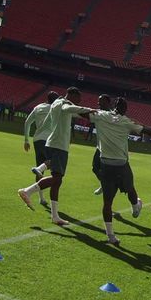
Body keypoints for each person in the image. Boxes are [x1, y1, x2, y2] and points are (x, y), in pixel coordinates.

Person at [16, 87, 97, 225]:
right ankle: (27, 191)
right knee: (57, 178)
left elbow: (73, 113)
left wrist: (91, 114)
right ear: (71, 95)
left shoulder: (56, 104)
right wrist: (90, 110)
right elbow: (73, 109)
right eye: (78, 98)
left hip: (54, 143)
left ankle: (54, 216)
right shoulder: (63, 104)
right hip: (59, 145)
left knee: (57, 181)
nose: (79, 101)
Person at [88, 95, 146, 244]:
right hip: (115, 162)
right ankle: (112, 234)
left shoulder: (107, 117)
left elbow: (144, 129)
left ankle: (133, 209)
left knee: (122, 194)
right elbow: (145, 129)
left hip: (111, 162)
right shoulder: (110, 117)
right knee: (121, 191)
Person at [21, 91, 58, 207]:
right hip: (49, 140)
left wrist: (26, 140)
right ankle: (51, 200)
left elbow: (27, 122)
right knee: (55, 166)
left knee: (40, 171)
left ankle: (41, 198)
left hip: (37, 140)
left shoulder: (38, 107)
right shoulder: (55, 108)